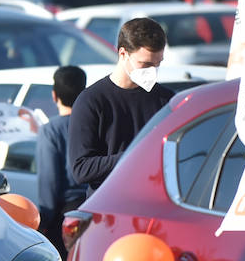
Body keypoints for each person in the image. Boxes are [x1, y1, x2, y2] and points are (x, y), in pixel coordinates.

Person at [68, 18, 173, 194]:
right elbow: (81, 169)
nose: (152, 71)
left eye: (158, 64)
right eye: (146, 64)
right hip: (109, 209)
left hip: (156, 205)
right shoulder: (92, 101)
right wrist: (134, 156)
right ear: (123, 54)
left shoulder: (167, 100)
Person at [34, 65, 88, 260]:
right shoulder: (96, 124)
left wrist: (44, 220)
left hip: (66, 214)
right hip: (98, 206)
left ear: (54, 95)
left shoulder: (50, 130)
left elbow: (49, 181)